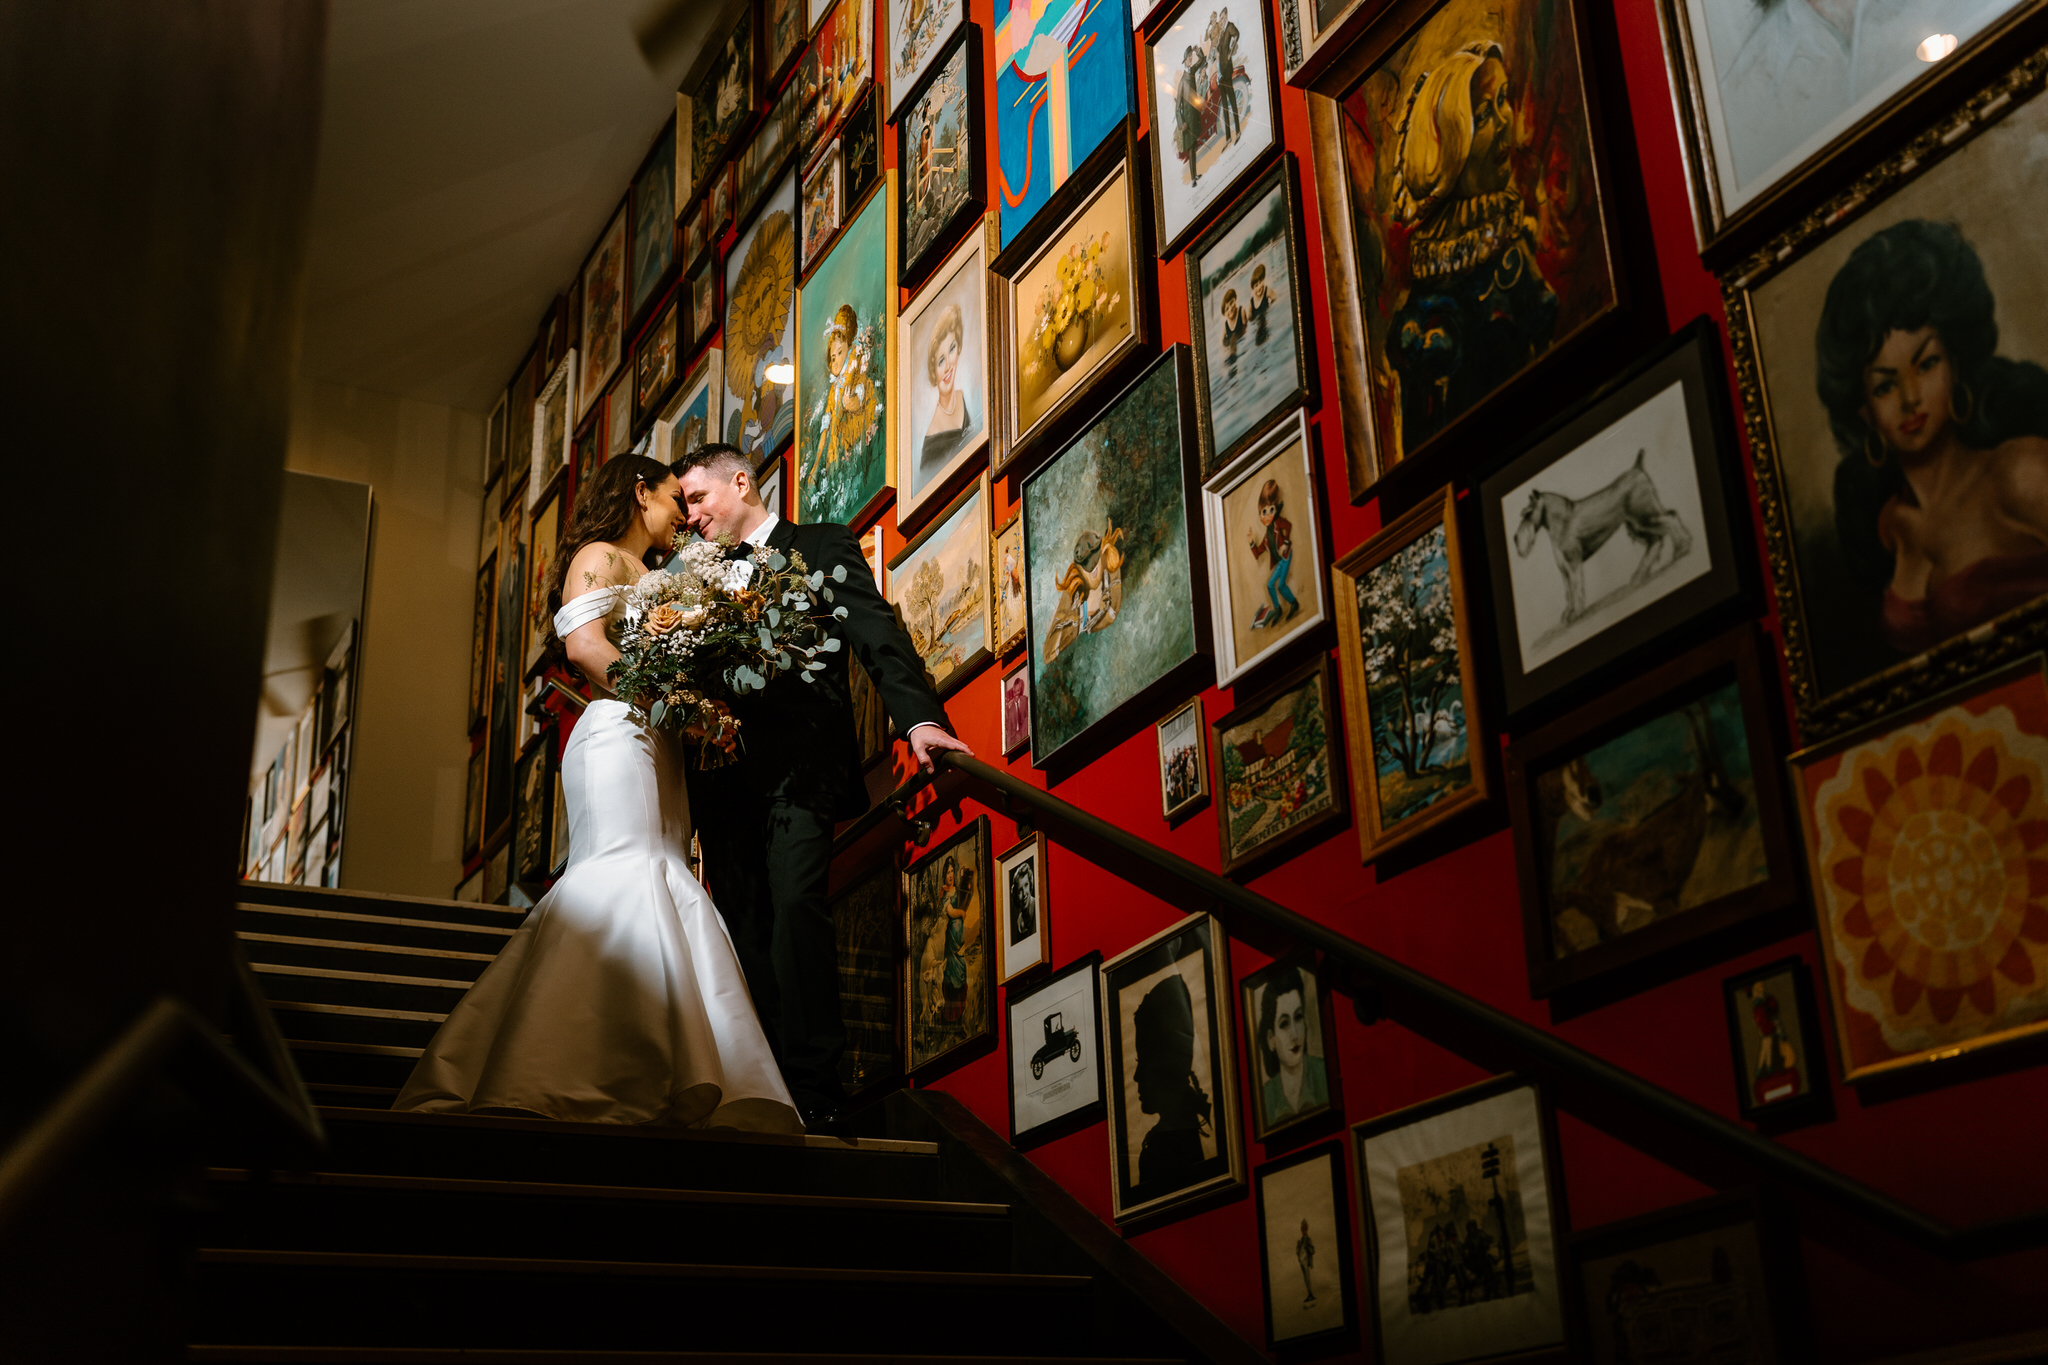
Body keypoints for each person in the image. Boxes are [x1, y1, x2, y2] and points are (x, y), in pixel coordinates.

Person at [393, 455, 800, 1132]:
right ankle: (560, 1060)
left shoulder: (662, 575)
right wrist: (674, 705)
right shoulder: (599, 555)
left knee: (662, 874)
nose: (682, 517)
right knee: (625, 872)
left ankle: (650, 1062)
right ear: (639, 493)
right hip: (618, 736)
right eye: (674, 499)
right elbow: (584, 647)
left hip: (659, 743)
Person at [675, 443, 971, 1131]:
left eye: (697, 498)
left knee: (799, 910)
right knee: (745, 931)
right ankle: (764, 1084)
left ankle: (816, 1090)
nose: (689, 516)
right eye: (684, 503)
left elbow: (877, 633)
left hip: (801, 772)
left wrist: (920, 721)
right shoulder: (689, 581)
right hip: (720, 788)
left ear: (741, 481)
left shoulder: (819, 545)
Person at [1815, 219, 2048, 656]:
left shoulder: (2020, 473)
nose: (1909, 399)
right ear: (1864, 409)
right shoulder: (1885, 528)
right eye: (1885, 386)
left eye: (1926, 365)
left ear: (1956, 363)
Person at [1386, 42, 1558, 452]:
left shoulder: (1509, 234)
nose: (1504, 122)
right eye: (1483, 115)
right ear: (1453, 149)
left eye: (1503, 101)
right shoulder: (1432, 292)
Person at [1131, 970, 1211, 1193]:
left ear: (1168, 1065)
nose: (1137, 1076)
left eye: (1143, 1060)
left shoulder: (1163, 1148)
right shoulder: (1189, 1129)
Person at [1256, 965, 1328, 1127]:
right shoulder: (1266, 1097)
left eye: (1298, 1017)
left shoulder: (1323, 1074)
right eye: (1284, 1024)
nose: (1295, 1034)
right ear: (1270, 1039)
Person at [915, 303, 975, 488]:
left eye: (952, 348)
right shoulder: (931, 443)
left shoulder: (963, 398)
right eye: (941, 361)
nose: (949, 364)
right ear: (933, 370)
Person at [1247, 478, 1298, 629]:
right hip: (1280, 561)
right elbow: (1258, 552)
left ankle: (1294, 603)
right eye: (1264, 512)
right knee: (1270, 585)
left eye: (1271, 510)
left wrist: (1286, 543)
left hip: (1286, 556)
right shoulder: (1266, 538)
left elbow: (1288, 526)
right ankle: (1278, 609)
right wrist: (1251, 542)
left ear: (1276, 509)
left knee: (1281, 585)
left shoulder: (1278, 523)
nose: (1267, 515)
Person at [1174, 46, 1207, 187]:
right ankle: (1193, 178)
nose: (1190, 59)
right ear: (1185, 61)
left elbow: (1203, 60)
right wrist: (1182, 124)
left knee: (1194, 148)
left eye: (1190, 57)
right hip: (1187, 120)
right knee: (1191, 148)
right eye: (1188, 58)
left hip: (1194, 116)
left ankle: (1194, 175)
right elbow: (1177, 108)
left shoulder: (1192, 71)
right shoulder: (1182, 82)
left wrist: (1198, 51)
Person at [1210, 8, 1242, 147]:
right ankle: (1228, 137)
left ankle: (1238, 131)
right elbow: (1219, 51)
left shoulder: (1229, 27)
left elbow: (1237, 35)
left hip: (1227, 69)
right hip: (1221, 73)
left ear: (1226, 16)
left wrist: (1230, 52)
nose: (1222, 21)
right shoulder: (1222, 33)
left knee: (1232, 100)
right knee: (1224, 106)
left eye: (1223, 18)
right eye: (1220, 19)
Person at [1296, 1218, 1316, 1307]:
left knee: (1308, 1278)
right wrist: (1299, 1248)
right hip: (1302, 1262)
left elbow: (1312, 1251)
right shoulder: (1300, 1241)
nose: (1304, 1230)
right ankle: (1309, 1294)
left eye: (1305, 1228)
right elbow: (1297, 1251)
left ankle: (1310, 1294)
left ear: (1307, 1229)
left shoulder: (1308, 1240)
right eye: (1303, 1229)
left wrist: (1308, 1247)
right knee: (1305, 1278)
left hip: (1306, 1262)